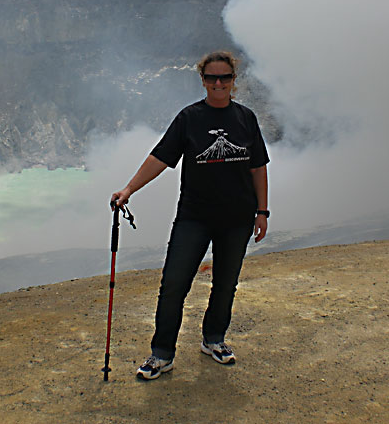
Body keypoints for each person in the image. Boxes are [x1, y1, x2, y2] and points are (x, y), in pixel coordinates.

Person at [110, 50, 270, 381]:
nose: (218, 83)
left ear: (233, 80)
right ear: (203, 80)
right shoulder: (189, 118)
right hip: (194, 217)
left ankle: (214, 340)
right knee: (173, 285)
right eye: (211, 77)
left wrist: (262, 211)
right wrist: (128, 190)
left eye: (224, 77)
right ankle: (162, 354)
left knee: (225, 284)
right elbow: (160, 158)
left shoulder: (246, 119)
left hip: (238, 217)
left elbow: (258, 167)